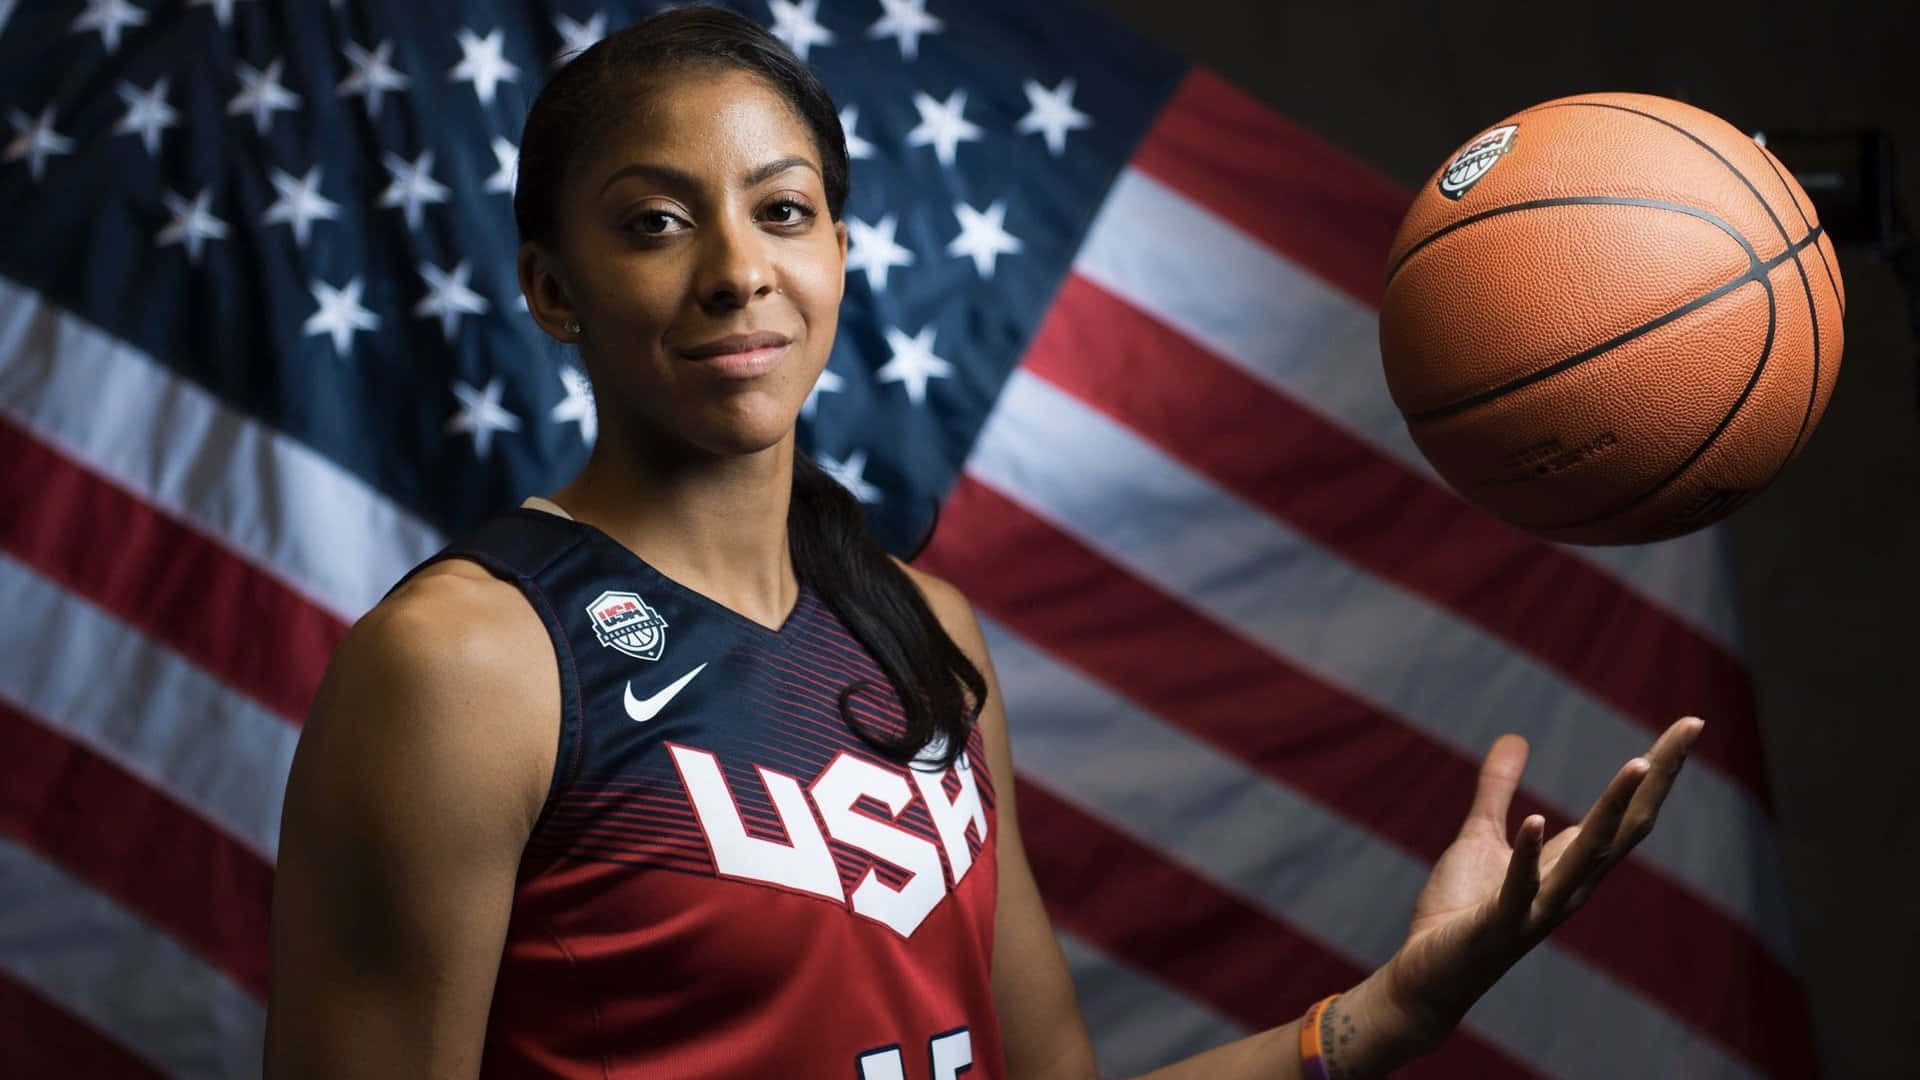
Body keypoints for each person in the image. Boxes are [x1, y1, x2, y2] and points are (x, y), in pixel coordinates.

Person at [262, 6, 1704, 1078]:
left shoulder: (924, 634)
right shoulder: (469, 665)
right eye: (653, 223)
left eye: (782, 212)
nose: (735, 272)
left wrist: (1399, 1005)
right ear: (552, 289)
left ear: (836, 251)